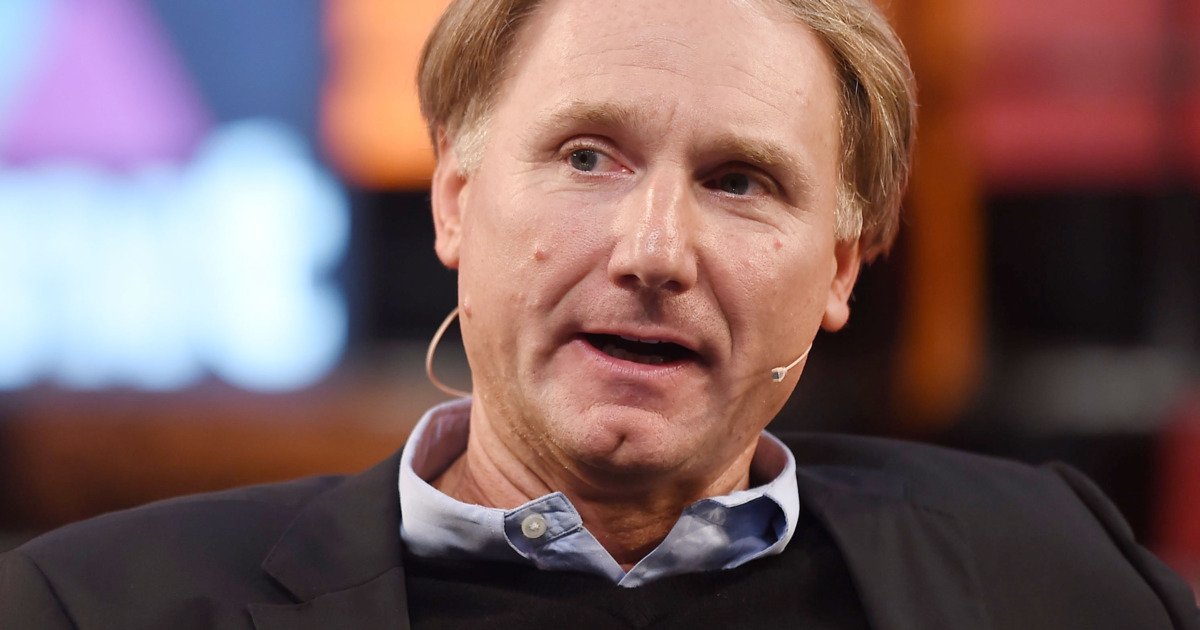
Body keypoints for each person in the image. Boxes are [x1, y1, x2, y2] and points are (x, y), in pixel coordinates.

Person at [2, 0, 1197, 627]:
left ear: (840, 270)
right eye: (587, 157)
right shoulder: (96, 607)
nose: (655, 253)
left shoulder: (1052, 567)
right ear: (456, 200)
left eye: (741, 181)